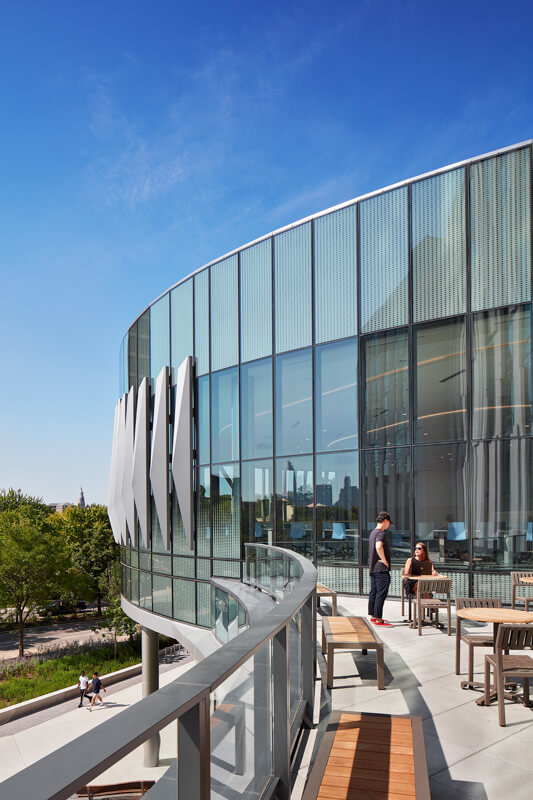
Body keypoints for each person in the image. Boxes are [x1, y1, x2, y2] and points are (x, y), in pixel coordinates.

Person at [368, 511, 392, 626]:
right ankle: (378, 618)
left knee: (374, 591)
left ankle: (373, 616)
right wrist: (385, 560)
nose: (388, 526)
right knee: (381, 593)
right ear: (385, 521)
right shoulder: (381, 533)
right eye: (389, 523)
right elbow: (379, 546)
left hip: (373, 568)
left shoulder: (373, 533)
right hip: (381, 569)